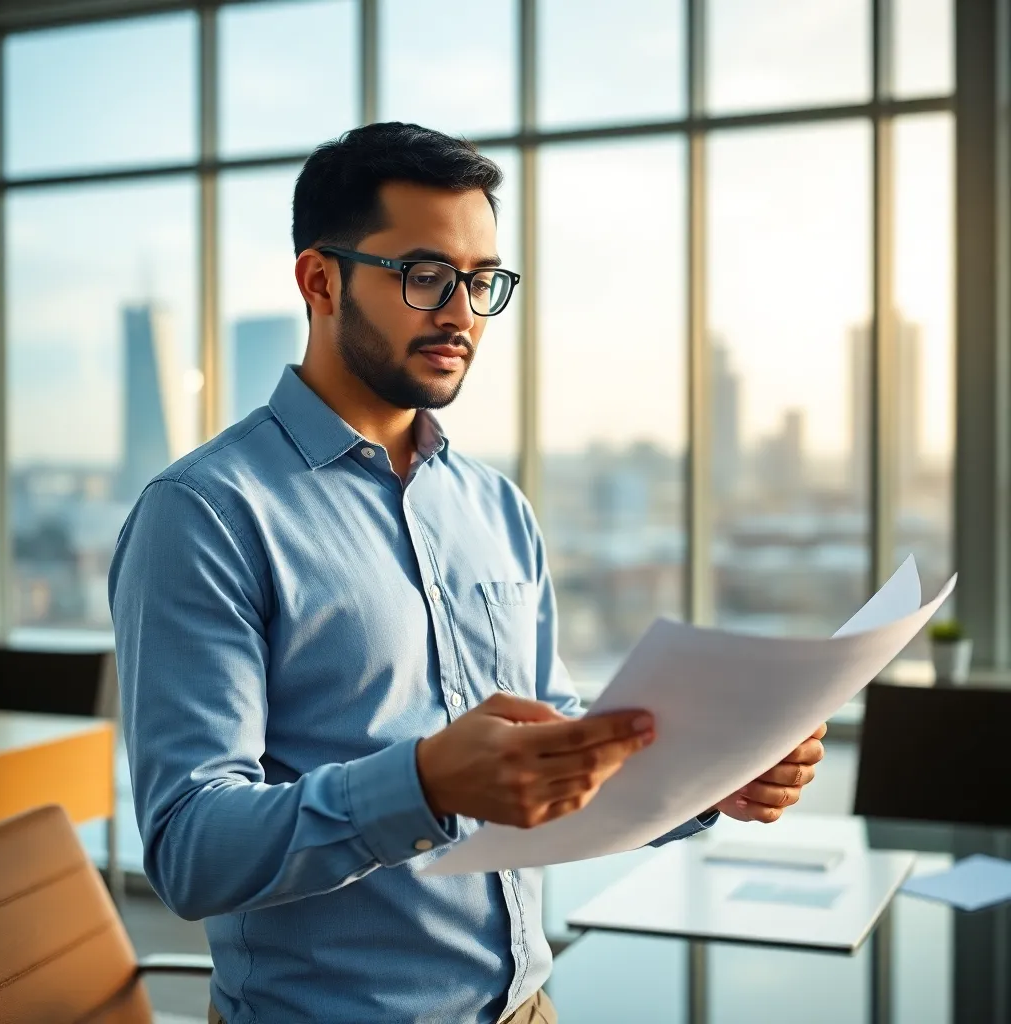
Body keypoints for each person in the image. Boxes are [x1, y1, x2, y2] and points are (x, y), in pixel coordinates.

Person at [109, 122, 826, 1024]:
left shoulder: (494, 506)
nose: (460, 312)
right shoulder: (205, 514)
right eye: (425, 275)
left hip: (526, 1008)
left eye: (482, 281)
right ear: (319, 280)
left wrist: (703, 777)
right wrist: (425, 784)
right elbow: (190, 852)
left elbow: (547, 756)